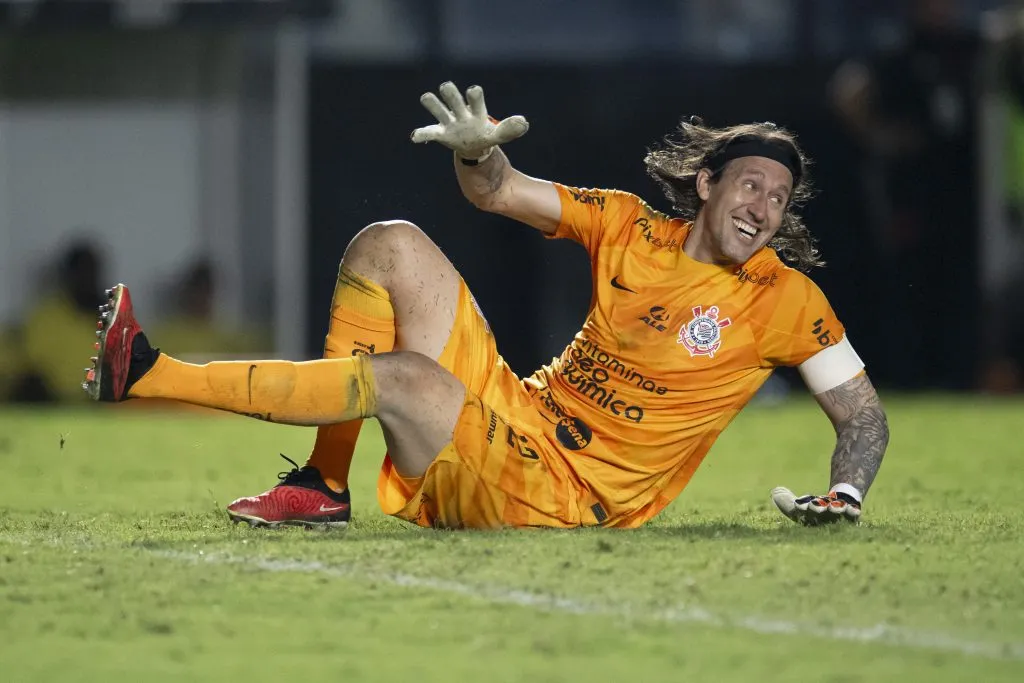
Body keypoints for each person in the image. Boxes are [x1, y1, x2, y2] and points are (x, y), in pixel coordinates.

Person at [84, 82, 889, 529]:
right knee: (388, 242)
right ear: (709, 183)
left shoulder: (787, 299)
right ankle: (324, 484)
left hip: (563, 494)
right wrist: (478, 150)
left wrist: (845, 492)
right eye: (751, 183)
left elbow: (863, 416)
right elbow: (497, 190)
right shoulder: (628, 225)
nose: (764, 206)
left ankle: (148, 376)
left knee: (401, 378)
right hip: (519, 415)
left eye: (780, 198)